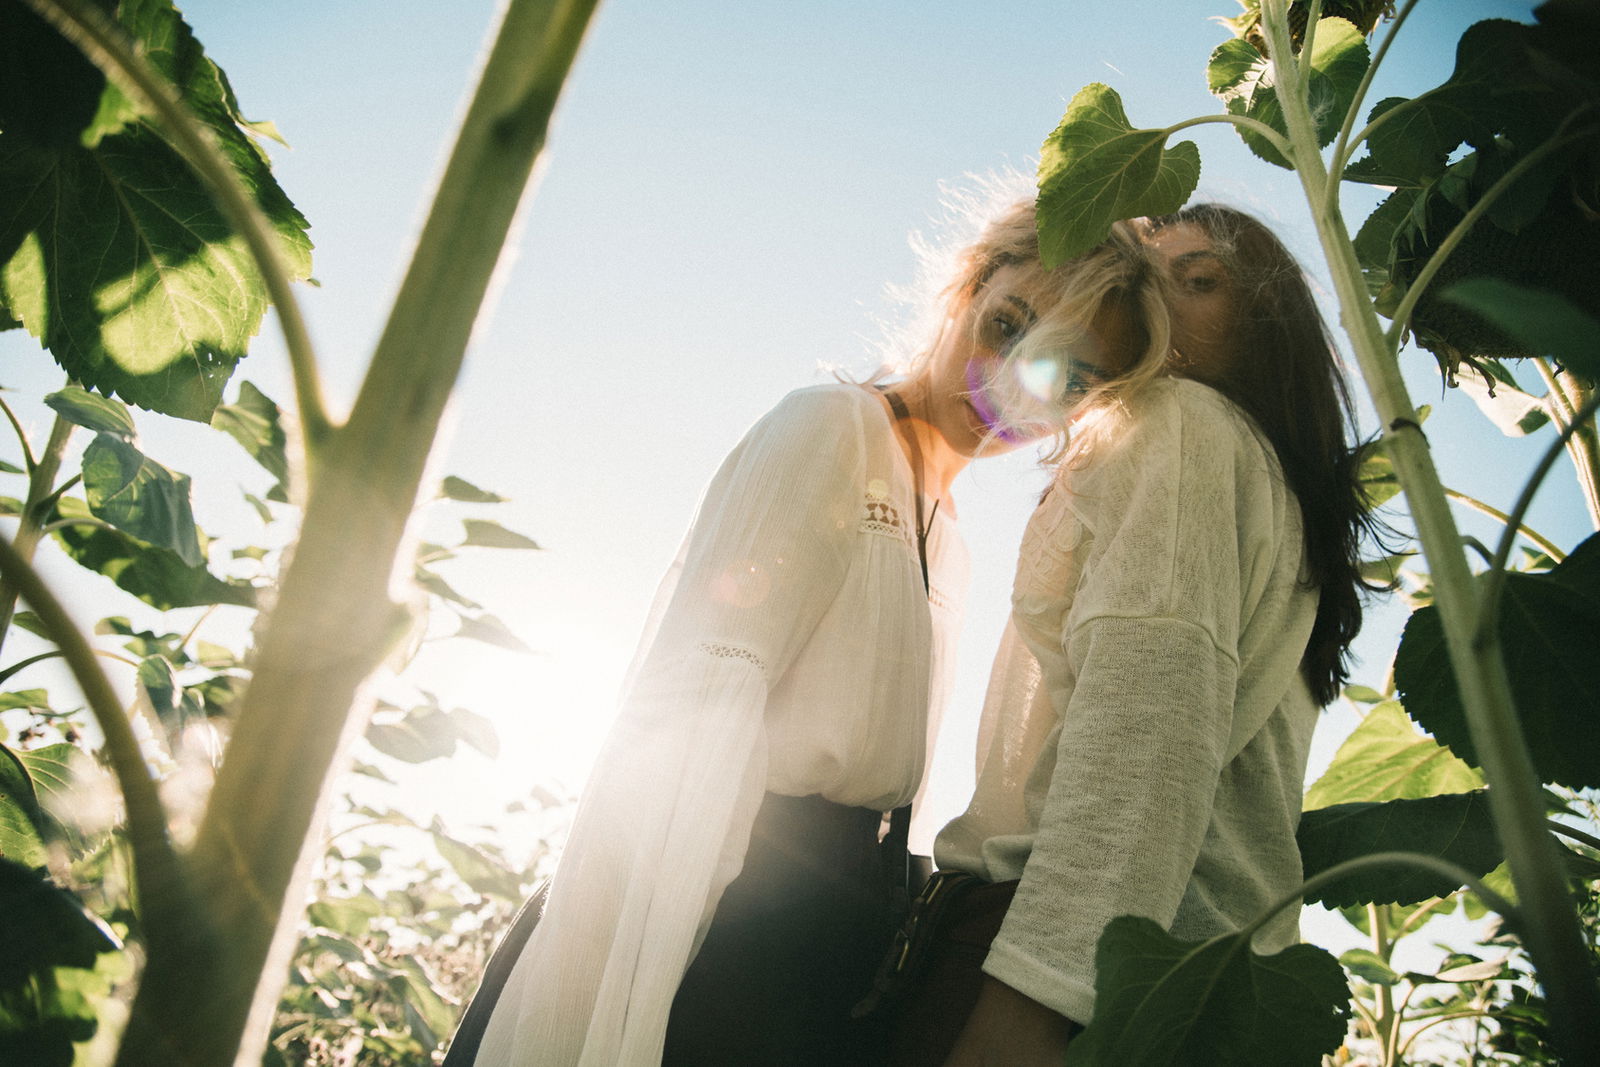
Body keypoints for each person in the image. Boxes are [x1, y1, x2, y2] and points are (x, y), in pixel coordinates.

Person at [448, 197, 1172, 1066]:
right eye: (1007, 326)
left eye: (1071, 379)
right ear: (967, 286)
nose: (1014, 389)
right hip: (706, 928)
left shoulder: (951, 540)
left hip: (816, 957)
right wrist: (611, 1003)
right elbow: (682, 717)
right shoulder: (831, 427)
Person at [886, 203, 1377, 1066]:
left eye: (1198, 280)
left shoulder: (1179, 423)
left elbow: (1146, 730)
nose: (1150, 296)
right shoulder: (1265, 479)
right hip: (1204, 979)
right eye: (1147, 274)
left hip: (1071, 975)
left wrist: (1028, 1008)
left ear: (1268, 331)